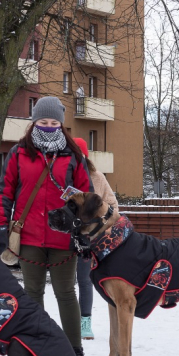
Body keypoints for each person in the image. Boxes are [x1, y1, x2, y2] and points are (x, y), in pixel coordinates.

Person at [0, 96, 93, 356]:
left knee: (65, 292)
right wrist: (0, 226)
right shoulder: (18, 153)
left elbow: (87, 197)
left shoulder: (73, 156)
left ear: (61, 124)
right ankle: (37, 345)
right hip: (29, 236)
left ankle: (75, 349)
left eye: (54, 122)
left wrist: (83, 230)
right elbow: (5, 192)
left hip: (63, 237)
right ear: (33, 122)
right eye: (43, 121)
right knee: (33, 292)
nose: (48, 127)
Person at [72, 138, 118, 340]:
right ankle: (69, 322)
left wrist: (100, 223)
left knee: (84, 280)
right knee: (64, 284)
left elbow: (112, 204)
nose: (76, 160)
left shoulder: (97, 177)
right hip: (64, 236)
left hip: (88, 237)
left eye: (80, 156)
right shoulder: (61, 175)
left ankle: (85, 323)